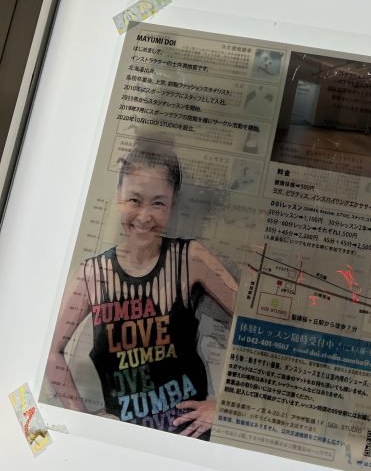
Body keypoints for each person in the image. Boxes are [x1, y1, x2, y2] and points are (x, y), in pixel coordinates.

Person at [45, 137, 237, 439]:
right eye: (134, 200)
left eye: (158, 203)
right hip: (122, 444)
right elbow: (50, 351)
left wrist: (225, 405)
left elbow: (256, 325)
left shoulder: (191, 259)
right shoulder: (92, 275)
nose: (145, 217)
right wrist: (81, 419)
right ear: (119, 197)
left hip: (188, 442)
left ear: (173, 203)